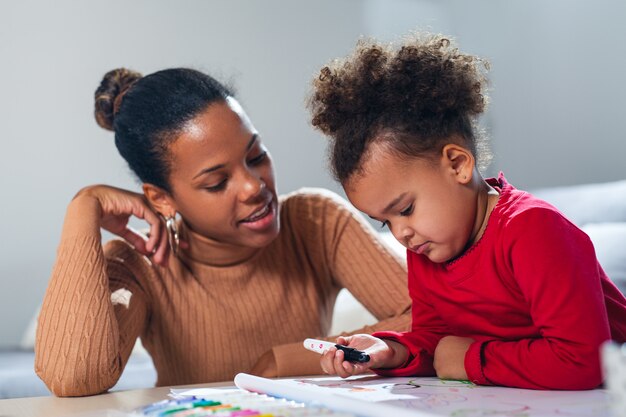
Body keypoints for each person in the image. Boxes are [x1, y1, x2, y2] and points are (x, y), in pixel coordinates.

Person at [34, 68, 412, 397]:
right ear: (161, 199)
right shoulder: (139, 264)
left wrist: (287, 360)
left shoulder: (316, 221)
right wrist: (83, 208)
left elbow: (428, 315)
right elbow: (74, 377)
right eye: (217, 182)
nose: (254, 187)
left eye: (256, 157)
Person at [308, 32, 626, 390]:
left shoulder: (534, 229)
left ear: (457, 164)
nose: (400, 233)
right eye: (386, 221)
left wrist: (469, 359)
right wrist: (393, 349)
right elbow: (439, 343)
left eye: (406, 209)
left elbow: (585, 361)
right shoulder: (428, 248)